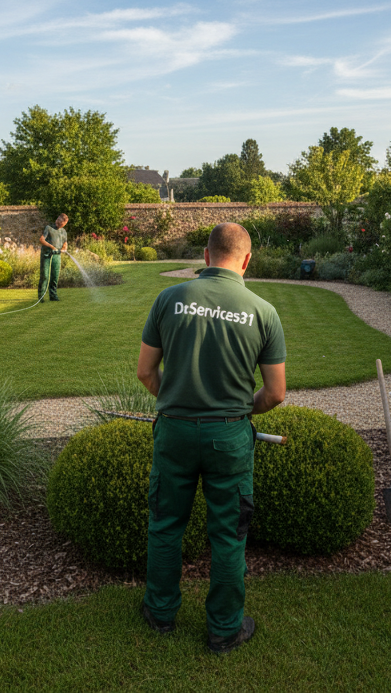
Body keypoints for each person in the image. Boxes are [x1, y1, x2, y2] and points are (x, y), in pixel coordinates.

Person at [136, 222, 287, 654]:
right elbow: (275, 393)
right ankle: (224, 629)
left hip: (175, 432)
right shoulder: (263, 311)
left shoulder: (169, 299)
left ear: (205, 256)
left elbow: (146, 372)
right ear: (246, 260)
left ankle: (160, 613)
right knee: (228, 535)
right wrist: (242, 411)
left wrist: (180, 402)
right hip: (230, 436)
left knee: (166, 525)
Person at [38, 214, 68, 302]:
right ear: (57, 220)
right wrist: (52, 247)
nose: (59, 225)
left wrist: (63, 249)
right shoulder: (48, 228)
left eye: (62, 224)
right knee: (45, 276)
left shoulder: (63, 232)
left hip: (57, 256)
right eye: (58, 223)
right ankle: (41, 296)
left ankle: (53, 295)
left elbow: (65, 244)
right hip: (46, 254)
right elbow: (42, 240)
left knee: (55, 276)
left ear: (64, 224)